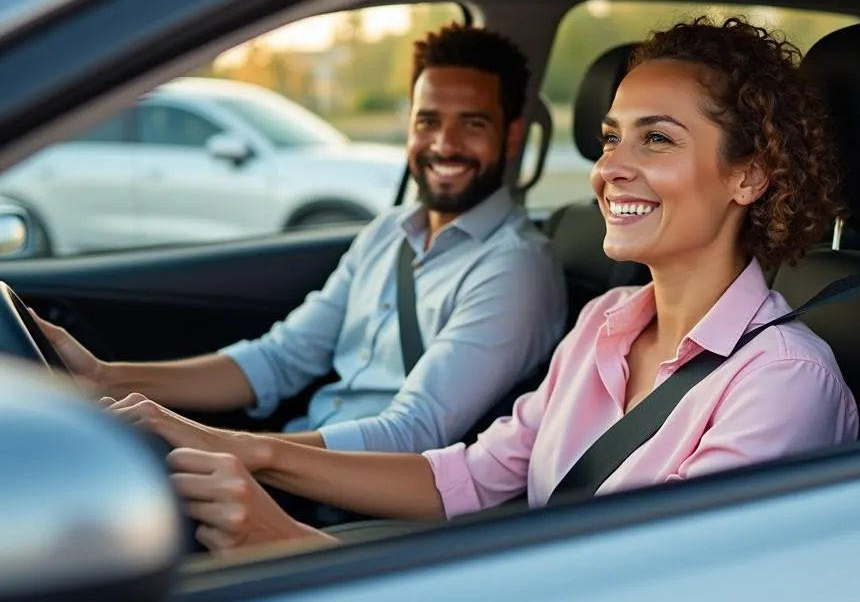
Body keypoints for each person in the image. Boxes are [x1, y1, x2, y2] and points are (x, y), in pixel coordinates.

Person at [110, 16, 859, 555]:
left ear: (751, 175)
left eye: (656, 138)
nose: (609, 169)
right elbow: (466, 478)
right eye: (610, 138)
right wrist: (245, 450)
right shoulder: (606, 322)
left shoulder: (782, 384)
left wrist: (294, 547)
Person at [38, 23, 567, 461]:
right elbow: (282, 358)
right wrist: (106, 378)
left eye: (471, 124)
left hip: (362, 499)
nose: (444, 145)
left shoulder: (514, 268)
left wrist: (234, 450)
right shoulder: (388, 232)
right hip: (302, 455)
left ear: (512, 136)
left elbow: (414, 433)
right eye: (428, 122)